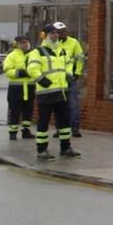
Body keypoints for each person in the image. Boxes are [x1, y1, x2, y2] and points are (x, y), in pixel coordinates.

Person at [27, 25, 77, 160]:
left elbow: (68, 64)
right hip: (46, 93)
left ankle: (65, 148)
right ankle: (42, 150)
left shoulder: (61, 51)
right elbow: (32, 69)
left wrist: (69, 74)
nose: (56, 35)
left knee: (64, 121)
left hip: (61, 91)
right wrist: (43, 81)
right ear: (45, 35)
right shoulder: (37, 52)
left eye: (57, 33)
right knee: (44, 121)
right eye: (52, 33)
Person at [52, 20, 87, 139]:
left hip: (70, 78)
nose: (63, 34)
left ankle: (75, 129)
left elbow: (80, 58)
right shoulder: (51, 43)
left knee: (73, 105)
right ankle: (59, 129)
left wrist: (77, 72)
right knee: (58, 105)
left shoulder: (73, 42)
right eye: (60, 32)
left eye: (64, 31)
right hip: (56, 79)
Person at [1, 34, 36, 142]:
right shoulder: (12, 55)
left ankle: (26, 131)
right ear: (17, 44)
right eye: (22, 42)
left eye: (26, 41)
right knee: (15, 111)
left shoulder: (34, 54)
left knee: (28, 111)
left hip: (30, 87)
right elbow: (7, 70)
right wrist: (19, 73)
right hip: (16, 89)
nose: (25, 44)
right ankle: (13, 132)